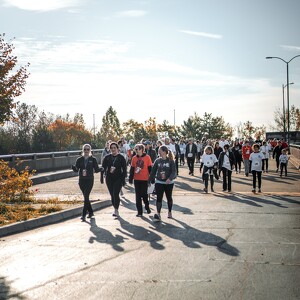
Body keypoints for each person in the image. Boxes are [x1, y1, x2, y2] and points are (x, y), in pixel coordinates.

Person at [72, 144, 102, 221]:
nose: (86, 151)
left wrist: (102, 169)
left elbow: (96, 169)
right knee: (86, 197)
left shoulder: (93, 159)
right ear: (83, 150)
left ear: (90, 150)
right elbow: (76, 169)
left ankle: (84, 214)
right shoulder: (79, 159)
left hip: (89, 180)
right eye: (85, 149)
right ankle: (91, 212)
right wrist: (74, 168)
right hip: (81, 180)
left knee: (86, 196)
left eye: (88, 149)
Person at [149, 145, 177, 221]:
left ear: (164, 152)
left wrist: (169, 178)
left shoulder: (171, 160)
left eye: (160, 150)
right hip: (159, 181)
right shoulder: (157, 161)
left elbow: (174, 171)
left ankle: (170, 211)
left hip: (169, 183)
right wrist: (149, 180)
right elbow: (153, 172)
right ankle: (158, 213)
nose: (158, 151)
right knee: (159, 198)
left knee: (169, 197)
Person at [101, 142, 127, 218]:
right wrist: (101, 178)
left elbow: (124, 169)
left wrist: (123, 180)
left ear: (117, 148)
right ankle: (115, 208)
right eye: (111, 148)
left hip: (118, 178)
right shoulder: (107, 157)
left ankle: (116, 210)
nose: (113, 149)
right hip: (109, 178)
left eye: (114, 148)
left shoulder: (121, 157)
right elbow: (103, 168)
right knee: (112, 195)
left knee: (116, 193)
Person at [129, 143, 152, 217]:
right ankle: (139, 211)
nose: (136, 150)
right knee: (138, 196)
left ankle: (147, 206)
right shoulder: (134, 158)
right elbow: (132, 169)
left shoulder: (147, 157)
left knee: (144, 194)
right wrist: (130, 178)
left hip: (145, 179)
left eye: (137, 149)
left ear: (142, 149)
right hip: (137, 179)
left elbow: (150, 168)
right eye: (135, 149)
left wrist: (151, 178)